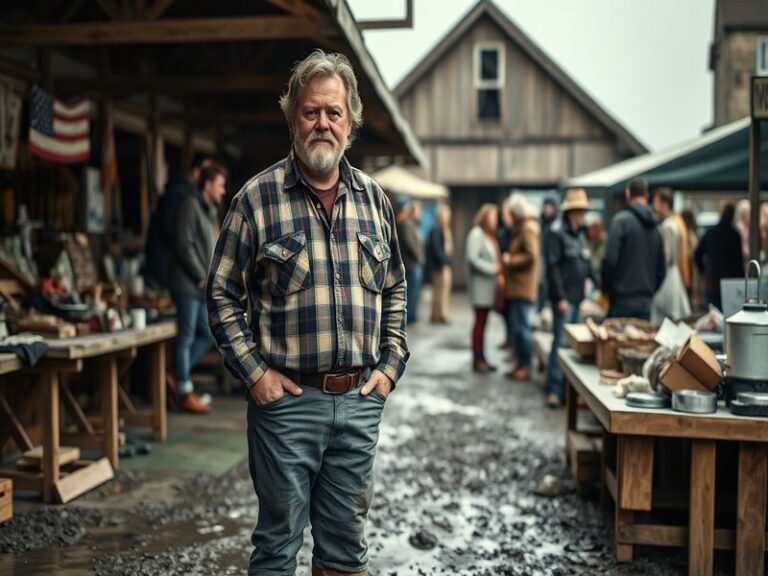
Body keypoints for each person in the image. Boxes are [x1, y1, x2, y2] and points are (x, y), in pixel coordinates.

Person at [206, 49, 408, 576]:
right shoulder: (256, 199)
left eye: (333, 112)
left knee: (345, 555)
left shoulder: (375, 201)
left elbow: (396, 288)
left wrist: (389, 369)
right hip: (286, 407)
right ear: (292, 118)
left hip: (359, 403)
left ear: (351, 120)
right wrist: (255, 375)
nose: (322, 123)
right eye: (311, 111)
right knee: (277, 549)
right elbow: (221, 293)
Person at [170, 163, 227, 414]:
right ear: (207, 185)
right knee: (186, 335)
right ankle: (183, 389)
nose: (223, 191)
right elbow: (183, 245)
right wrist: (200, 276)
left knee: (208, 334)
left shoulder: (209, 211)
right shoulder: (189, 205)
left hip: (201, 285)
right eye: (220, 185)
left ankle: (175, 374)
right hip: (187, 284)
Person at [544, 189, 594, 408]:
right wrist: (560, 297)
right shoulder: (556, 232)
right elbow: (552, 267)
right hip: (564, 299)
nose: (580, 215)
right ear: (569, 211)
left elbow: (587, 263)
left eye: (582, 211)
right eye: (577, 211)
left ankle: (567, 390)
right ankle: (554, 389)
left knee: (572, 346)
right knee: (560, 342)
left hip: (577, 297)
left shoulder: (580, 233)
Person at [601, 177, 665, 320]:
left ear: (628, 194)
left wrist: (606, 289)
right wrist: (649, 290)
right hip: (645, 301)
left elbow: (610, 260)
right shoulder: (656, 228)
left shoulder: (621, 221)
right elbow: (661, 270)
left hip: (621, 300)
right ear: (647, 196)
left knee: (619, 342)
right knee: (640, 342)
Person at [145, 156, 211, 292]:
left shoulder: (192, 197)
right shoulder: (181, 195)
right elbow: (178, 238)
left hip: (184, 269)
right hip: (171, 266)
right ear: (196, 172)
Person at [502, 193, 540, 381]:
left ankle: (525, 366)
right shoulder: (522, 228)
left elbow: (532, 255)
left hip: (523, 288)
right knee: (518, 328)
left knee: (523, 329)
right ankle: (521, 364)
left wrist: (511, 260)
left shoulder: (528, 229)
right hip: (517, 288)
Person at [466, 203, 502, 372]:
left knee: (483, 323)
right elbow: (473, 259)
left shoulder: (487, 235)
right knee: (479, 323)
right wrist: (492, 268)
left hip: (487, 288)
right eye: (493, 216)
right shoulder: (477, 234)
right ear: (485, 216)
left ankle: (482, 357)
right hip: (480, 287)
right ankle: (477, 359)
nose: (495, 220)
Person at [650, 187, 691, 322]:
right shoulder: (677, 222)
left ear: (664, 204)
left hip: (668, 277)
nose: (654, 206)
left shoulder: (668, 225)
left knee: (663, 319)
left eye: (655, 202)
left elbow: (666, 257)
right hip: (673, 275)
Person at [694, 203, 744, 310]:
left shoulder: (710, 233)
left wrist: (704, 272)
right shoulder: (734, 236)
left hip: (712, 281)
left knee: (714, 317)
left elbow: (697, 254)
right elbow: (739, 262)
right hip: (731, 282)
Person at [396, 199, 425, 324]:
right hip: (412, 263)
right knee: (411, 291)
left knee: (414, 291)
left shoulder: (411, 224)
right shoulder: (406, 224)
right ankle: (410, 316)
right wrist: (417, 256)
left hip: (414, 263)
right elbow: (409, 243)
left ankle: (412, 315)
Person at [427, 204, 453, 324]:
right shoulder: (436, 229)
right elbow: (436, 248)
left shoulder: (443, 228)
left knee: (442, 291)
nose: (447, 218)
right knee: (439, 292)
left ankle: (438, 314)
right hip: (439, 266)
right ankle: (439, 314)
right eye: (445, 216)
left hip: (443, 264)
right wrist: (444, 262)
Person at [496, 197, 514, 349]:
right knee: (504, 310)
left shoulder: (515, 231)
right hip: (504, 276)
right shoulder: (502, 233)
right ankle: (509, 337)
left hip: (513, 277)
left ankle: (511, 339)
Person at [538, 192, 559, 313]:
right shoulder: (540, 223)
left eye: (550, 206)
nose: (547, 209)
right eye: (546, 206)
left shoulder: (558, 225)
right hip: (542, 260)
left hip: (553, 261)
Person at [736, 199, 751, 268]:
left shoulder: (751, 227)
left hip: (750, 259)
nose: (748, 215)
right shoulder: (738, 227)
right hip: (740, 260)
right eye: (746, 213)